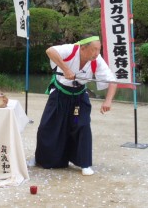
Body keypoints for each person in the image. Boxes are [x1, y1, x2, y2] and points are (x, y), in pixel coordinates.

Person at [34, 35, 117, 176]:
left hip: (79, 99)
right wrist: (66, 69)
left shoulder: (97, 60)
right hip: (60, 94)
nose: (97, 53)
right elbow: (50, 51)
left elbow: (112, 80)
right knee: (47, 127)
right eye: (94, 49)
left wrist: (108, 101)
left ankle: (84, 164)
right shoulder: (70, 49)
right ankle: (42, 160)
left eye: (99, 49)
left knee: (81, 125)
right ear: (83, 48)